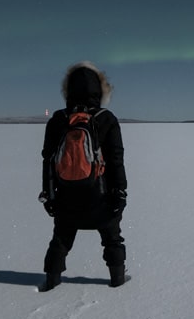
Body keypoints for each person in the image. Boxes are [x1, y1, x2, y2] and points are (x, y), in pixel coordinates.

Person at [39, 62, 128, 290]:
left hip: (65, 196)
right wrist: (120, 192)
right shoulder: (106, 118)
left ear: (68, 91)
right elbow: (116, 160)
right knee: (112, 238)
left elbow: (48, 161)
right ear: (99, 90)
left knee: (60, 239)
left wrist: (48, 195)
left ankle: (51, 281)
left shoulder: (58, 119)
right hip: (101, 196)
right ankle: (118, 279)